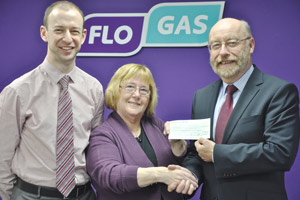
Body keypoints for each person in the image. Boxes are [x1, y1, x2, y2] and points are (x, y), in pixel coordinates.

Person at [166, 18, 300, 200]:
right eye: (215, 45)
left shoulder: (279, 92)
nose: (223, 52)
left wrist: (216, 153)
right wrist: (190, 175)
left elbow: (279, 153)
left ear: (250, 45)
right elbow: (198, 152)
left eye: (231, 43)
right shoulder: (202, 97)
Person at [0, 1, 104, 200]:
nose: (67, 38)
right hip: (32, 195)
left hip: (83, 195)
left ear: (83, 36)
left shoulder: (94, 89)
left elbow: (96, 151)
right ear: (44, 33)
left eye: (74, 31)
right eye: (59, 30)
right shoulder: (18, 91)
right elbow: (1, 156)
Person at [86, 63, 198, 200]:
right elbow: (109, 174)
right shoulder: (103, 134)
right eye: (130, 87)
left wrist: (178, 148)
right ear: (115, 91)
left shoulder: (156, 124)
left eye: (144, 90)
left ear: (149, 98)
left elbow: (179, 164)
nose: (137, 95)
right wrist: (160, 174)